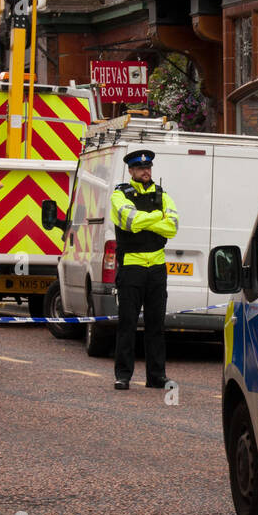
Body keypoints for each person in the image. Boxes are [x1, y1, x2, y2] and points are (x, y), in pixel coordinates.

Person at [109, 148, 178, 390]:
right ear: (131, 171)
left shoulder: (163, 195)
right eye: (140, 168)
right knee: (127, 323)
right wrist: (157, 218)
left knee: (156, 324)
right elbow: (130, 222)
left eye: (148, 168)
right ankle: (123, 375)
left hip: (157, 268)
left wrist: (146, 220)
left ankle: (156, 376)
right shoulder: (120, 195)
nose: (145, 171)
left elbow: (172, 228)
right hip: (132, 267)